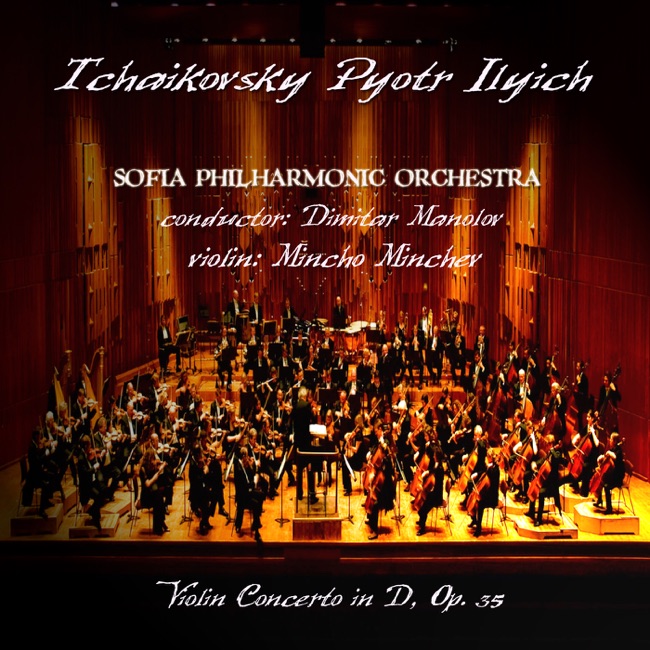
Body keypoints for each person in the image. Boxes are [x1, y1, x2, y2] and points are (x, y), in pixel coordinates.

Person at [467, 449, 501, 537]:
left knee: (480, 504)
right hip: (487, 494)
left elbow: (492, 483)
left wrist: (488, 468)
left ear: (490, 457)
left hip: (492, 496)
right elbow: (484, 473)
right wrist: (476, 474)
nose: (486, 458)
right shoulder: (490, 467)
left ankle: (478, 529)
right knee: (476, 500)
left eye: (487, 457)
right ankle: (474, 520)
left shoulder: (496, 469)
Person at [233, 446, 264, 541]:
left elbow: (251, 475)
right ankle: (256, 527)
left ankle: (256, 522)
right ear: (243, 456)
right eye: (246, 456)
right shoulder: (238, 468)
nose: (248, 457)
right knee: (256, 503)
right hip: (242, 496)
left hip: (247, 492)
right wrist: (254, 482)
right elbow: (245, 485)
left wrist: (250, 465)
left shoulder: (244, 464)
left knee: (261, 495)